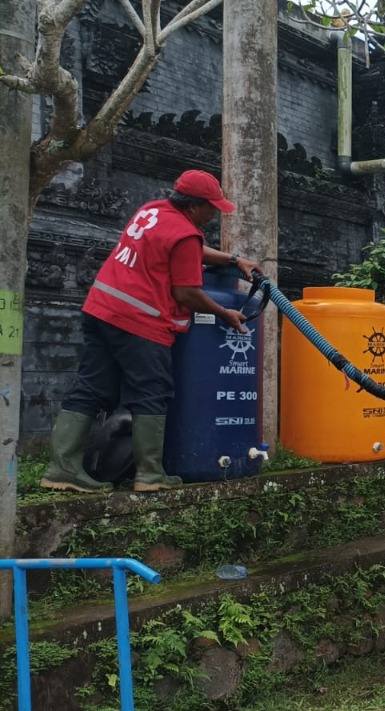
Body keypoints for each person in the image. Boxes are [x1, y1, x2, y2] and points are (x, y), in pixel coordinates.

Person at [40, 170, 263, 494]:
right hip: (139, 319)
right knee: (153, 391)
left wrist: (233, 258)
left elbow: (186, 248)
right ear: (195, 206)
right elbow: (186, 293)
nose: (214, 213)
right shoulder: (186, 233)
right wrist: (224, 313)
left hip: (101, 309)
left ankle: (62, 469)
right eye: (211, 207)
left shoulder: (153, 211)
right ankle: (150, 474)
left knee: (91, 387)